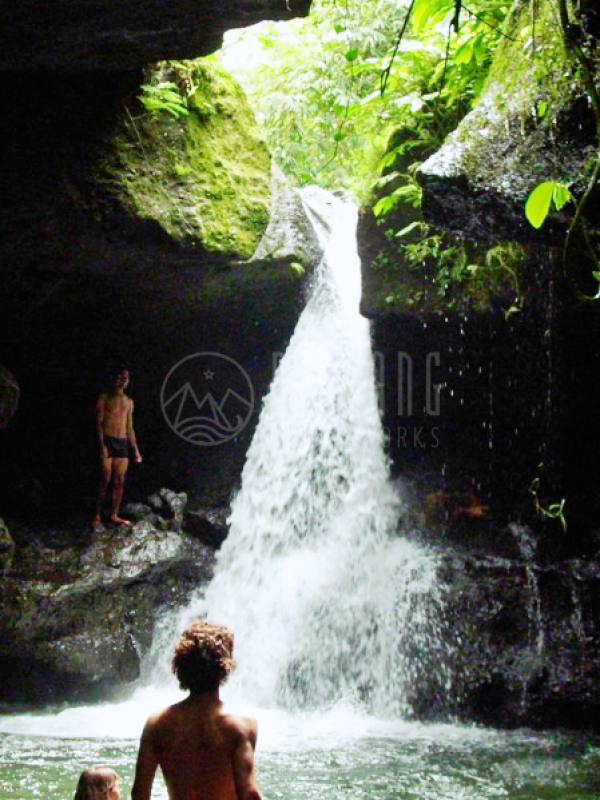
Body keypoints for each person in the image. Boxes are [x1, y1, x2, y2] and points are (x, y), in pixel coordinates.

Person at [131, 620, 262, 800]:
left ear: (181, 667)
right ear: (224, 668)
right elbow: (248, 793)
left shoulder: (157, 723)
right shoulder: (241, 724)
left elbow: (139, 794)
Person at [92, 367, 142, 531]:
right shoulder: (104, 398)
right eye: (121, 377)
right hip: (108, 440)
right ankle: (96, 515)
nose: (123, 380)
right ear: (114, 378)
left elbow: (130, 428)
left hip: (122, 443)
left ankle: (114, 514)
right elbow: (98, 424)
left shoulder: (129, 402)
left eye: (126, 378)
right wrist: (102, 446)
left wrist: (135, 450)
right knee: (105, 479)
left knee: (119, 481)